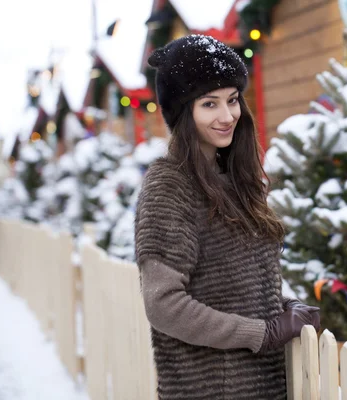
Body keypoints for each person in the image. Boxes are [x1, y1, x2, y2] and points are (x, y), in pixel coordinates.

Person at [135, 35, 321, 399]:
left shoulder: (233, 178)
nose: (227, 116)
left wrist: (283, 308)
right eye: (209, 104)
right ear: (182, 112)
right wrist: (262, 333)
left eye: (232, 100)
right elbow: (163, 303)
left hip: (262, 387)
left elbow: (235, 287)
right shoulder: (170, 185)